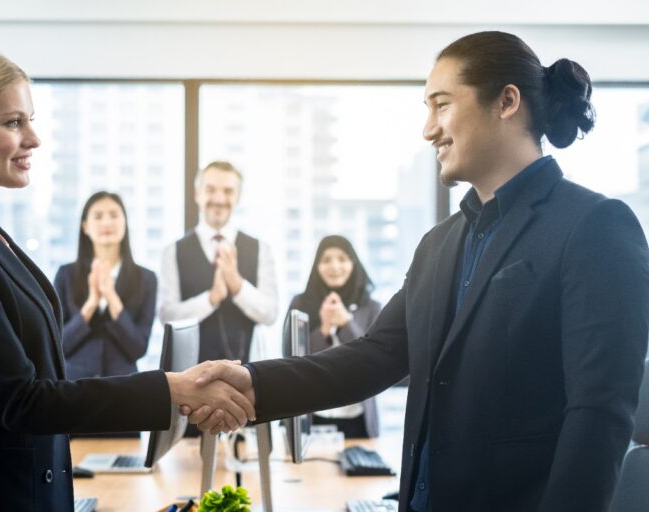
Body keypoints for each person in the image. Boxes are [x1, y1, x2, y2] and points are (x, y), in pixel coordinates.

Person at [189, 31, 649, 512]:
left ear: (506, 102)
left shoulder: (595, 227)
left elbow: (598, 416)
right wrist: (252, 382)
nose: (428, 129)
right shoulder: (439, 244)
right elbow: (374, 357)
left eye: (442, 105)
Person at [0, 43, 252, 512]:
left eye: (30, 120)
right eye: (14, 122)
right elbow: (20, 399)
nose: (33, 139)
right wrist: (169, 389)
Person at [159, 161, 278, 364]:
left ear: (238, 197)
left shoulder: (261, 249)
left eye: (228, 191)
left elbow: (270, 314)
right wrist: (212, 298)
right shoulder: (173, 251)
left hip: (246, 373)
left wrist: (237, 285)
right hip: (190, 375)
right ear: (198, 194)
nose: (219, 199)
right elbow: (166, 315)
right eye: (210, 190)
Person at [54, 191, 156, 382]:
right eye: (98, 216)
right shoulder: (66, 275)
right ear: (85, 226)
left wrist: (111, 298)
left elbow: (138, 348)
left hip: (125, 387)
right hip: (75, 388)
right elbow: (58, 345)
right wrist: (91, 304)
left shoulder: (146, 279)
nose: (107, 223)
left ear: (125, 223)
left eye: (114, 215)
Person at [289, 235, 381, 438]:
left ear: (353, 263)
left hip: (357, 419)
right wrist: (323, 328)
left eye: (342, 258)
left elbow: (373, 360)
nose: (334, 266)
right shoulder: (300, 304)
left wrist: (346, 323)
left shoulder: (371, 307)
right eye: (326, 260)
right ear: (317, 265)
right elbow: (293, 360)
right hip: (312, 417)